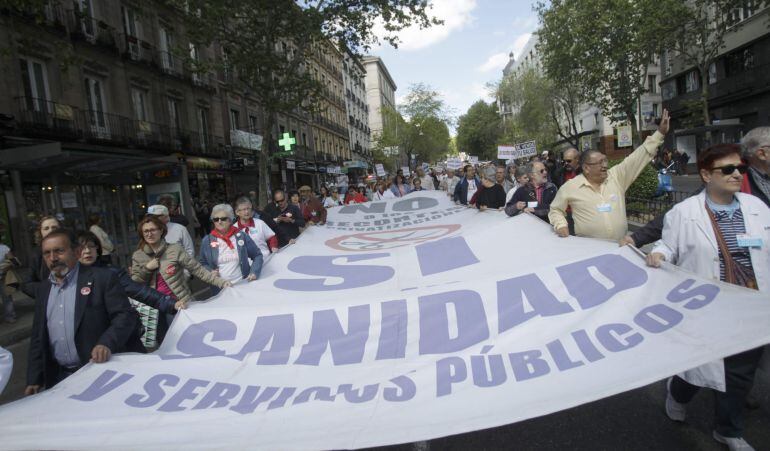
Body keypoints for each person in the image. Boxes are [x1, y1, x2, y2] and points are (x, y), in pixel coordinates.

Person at [646, 143, 770, 451]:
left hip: (749, 306)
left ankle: (728, 430)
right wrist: (659, 254)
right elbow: (668, 245)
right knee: (698, 368)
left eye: (740, 169)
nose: (736, 175)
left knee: (740, 374)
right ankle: (678, 391)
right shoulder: (684, 213)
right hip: (707, 305)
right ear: (705, 175)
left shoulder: (758, 208)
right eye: (726, 170)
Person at [25, 229, 145, 394]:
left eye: (59, 251)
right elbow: (38, 337)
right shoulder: (44, 289)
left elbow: (124, 316)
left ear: (76, 252)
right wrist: (34, 379)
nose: (53, 258)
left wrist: (106, 343)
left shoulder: (102, 279)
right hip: (61, 379)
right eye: (47, 253)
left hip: (102, 374)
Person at [548, 109, 670, 240]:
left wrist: (659, 134)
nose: (605, 165)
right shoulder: (570, 187)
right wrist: (560, 224)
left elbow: (637, 158)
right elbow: (555, 209)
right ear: (586, 168)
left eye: (605, 160)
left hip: (620, 247)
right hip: (589, 251)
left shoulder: (616, 176)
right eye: (600, 162)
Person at [131, 216, 230, 313]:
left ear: (161, 231)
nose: (149, 234)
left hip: (180, 304)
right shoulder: (138, 255)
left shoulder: (174, 249)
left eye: (153, 230)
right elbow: (134, 283)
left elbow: (198, 270)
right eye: (146, 231)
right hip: (152, 308)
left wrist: (221, 283)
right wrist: (147, 268)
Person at [76, 231, 176, 315]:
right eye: (82, 248)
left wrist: (170, 303)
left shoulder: (111, 273)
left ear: (97, 249)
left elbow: (139, 291)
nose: (87, 251)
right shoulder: (68, 277)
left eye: (91, 246)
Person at [199, 204, 263, 295]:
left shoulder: (241, 236)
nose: (219, 222)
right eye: (216, 219)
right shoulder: (207, 240)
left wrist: (254, 272)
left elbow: (257, 255)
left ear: (230, 220)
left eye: (223, 219)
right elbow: (202, 263)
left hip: (243, 285)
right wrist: (210, 271)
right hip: (219, 289)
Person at [21, 215, 61, 299]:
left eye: (54, 227)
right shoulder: (36, 254)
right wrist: (49, 291)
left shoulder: (74, 249)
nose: (51, 230)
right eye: (46, 228)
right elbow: (27, 284)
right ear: (40, 232)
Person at [0, 244, 19, 324]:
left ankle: (10, 316)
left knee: (7, 297)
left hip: (3, 277)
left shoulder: (3, 248)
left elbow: (13, 261)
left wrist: (8, 266)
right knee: (7, 298)